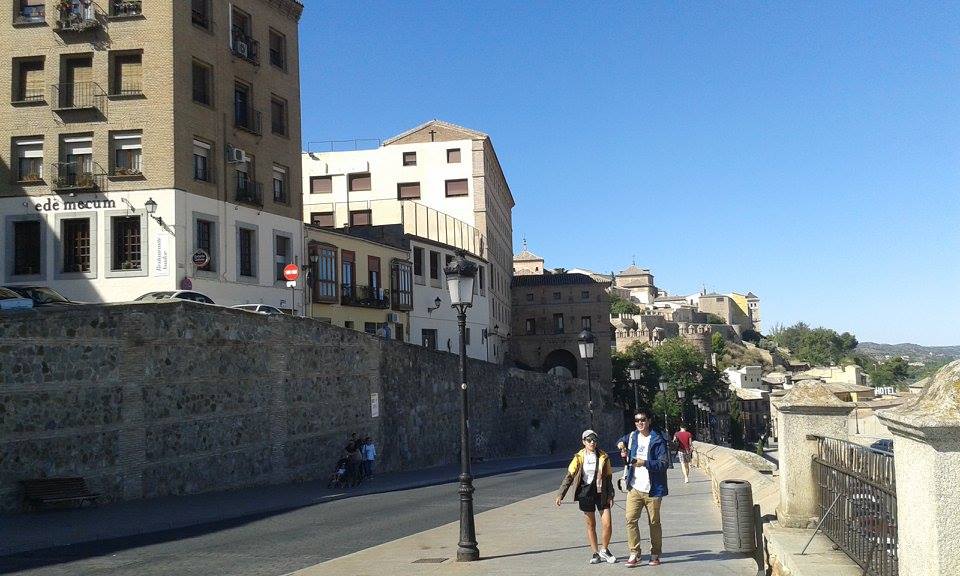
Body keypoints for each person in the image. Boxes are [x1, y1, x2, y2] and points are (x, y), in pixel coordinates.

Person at [555, 430, 618, 565]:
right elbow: (569, 476)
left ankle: (604, 549)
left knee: (607, 524)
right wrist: (561, 494)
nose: (592, 442)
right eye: (589, 440)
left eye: (594, 440)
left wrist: (611, 494)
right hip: (586, 493)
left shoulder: (603, 456)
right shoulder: (579, 457)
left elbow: (608, 477)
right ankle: (595, 553)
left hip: (602, 493)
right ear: (583, 442)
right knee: (591, 524)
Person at [617, 411, 670, 567]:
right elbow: (621, 440)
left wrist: (644, 463)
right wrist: (621, 444)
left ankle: (655, 554)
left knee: (654, 523)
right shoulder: (633, 436)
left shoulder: (658, 440)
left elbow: (663, 464)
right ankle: (635, 553)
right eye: (637, 420)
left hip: (652, 489)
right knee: (630, 520)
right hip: (634, 487)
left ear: (649, 421)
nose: (639, 423)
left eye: (643, 420)